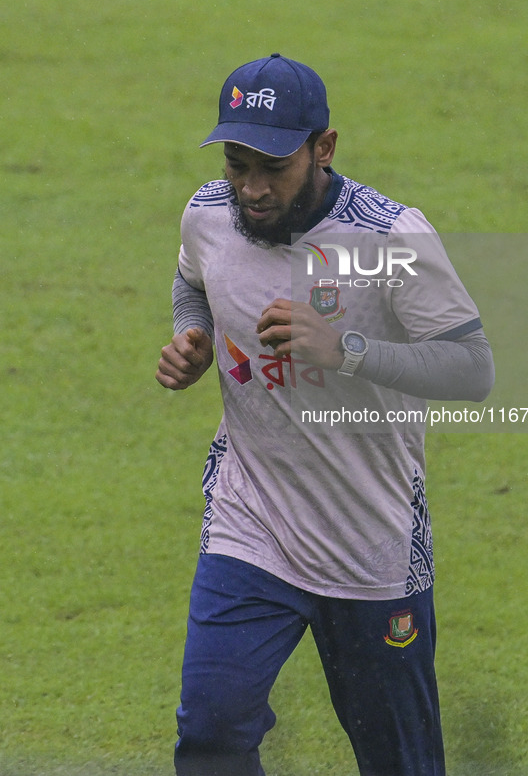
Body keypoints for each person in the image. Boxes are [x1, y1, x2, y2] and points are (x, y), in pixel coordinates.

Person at [156, 53, 494, 776]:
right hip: (252, 522)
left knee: (398, 760)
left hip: (370, 546)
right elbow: (192, 282)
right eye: (236, 163)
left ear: (324, 149)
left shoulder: (389, 240)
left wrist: (345, 347)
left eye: (271, 168)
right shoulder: (207, 216)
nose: (250, 188)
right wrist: (196, 337)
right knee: (211, 731)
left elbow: (473, 369)